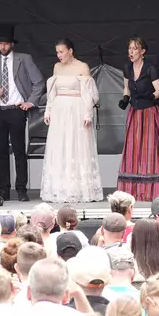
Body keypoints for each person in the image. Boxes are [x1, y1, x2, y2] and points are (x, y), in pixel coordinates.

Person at [116, 37, 159, 201]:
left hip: (150, 113)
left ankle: (152, 190)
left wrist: (150, 96)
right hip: (135, 113)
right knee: (134, 150)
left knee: (151, 149)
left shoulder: (150, 69)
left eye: (134, 49)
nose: (131, 52)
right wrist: (125, 98)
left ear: (142, 51)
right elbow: (126, 87)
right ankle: (135, 189)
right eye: (129, 48)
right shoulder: (127, 68)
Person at [0, 24, 45, 204]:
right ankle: (4, 189)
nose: (2, 47)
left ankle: (21, 189)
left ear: (12, 44)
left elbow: (39, 82)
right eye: (0, 44)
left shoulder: (24, 59)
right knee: (1, 152)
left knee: (19, 151)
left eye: (5, 43)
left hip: (16, 110)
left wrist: (30, 102)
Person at [40, 38, 102, 203]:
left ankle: (79, 189)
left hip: (76, 110)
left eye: (61, 51)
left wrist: (88, 114)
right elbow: (52, 92)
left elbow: (88, 93)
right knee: (60, 146)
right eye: (57, 52)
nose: (59, 55)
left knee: (77, 146)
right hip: (60, 111)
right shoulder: (57, 67)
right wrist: (48, 110)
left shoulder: (82, 67)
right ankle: (61, 188)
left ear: (70, 51)